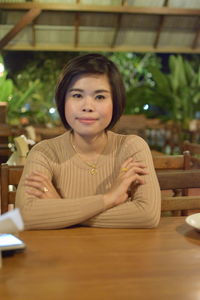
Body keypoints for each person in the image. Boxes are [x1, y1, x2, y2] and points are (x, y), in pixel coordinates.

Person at [16, 53, 161, 230]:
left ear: (115, 102)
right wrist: (109, 198)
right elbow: (25, 215)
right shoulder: (44, 153)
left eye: (100, 97)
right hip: (60, 255)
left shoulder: (132, 148)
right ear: (63, 101)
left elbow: (147, 215)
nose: (87, 106)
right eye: (77, 95)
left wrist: (60, 207)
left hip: (121, 255)